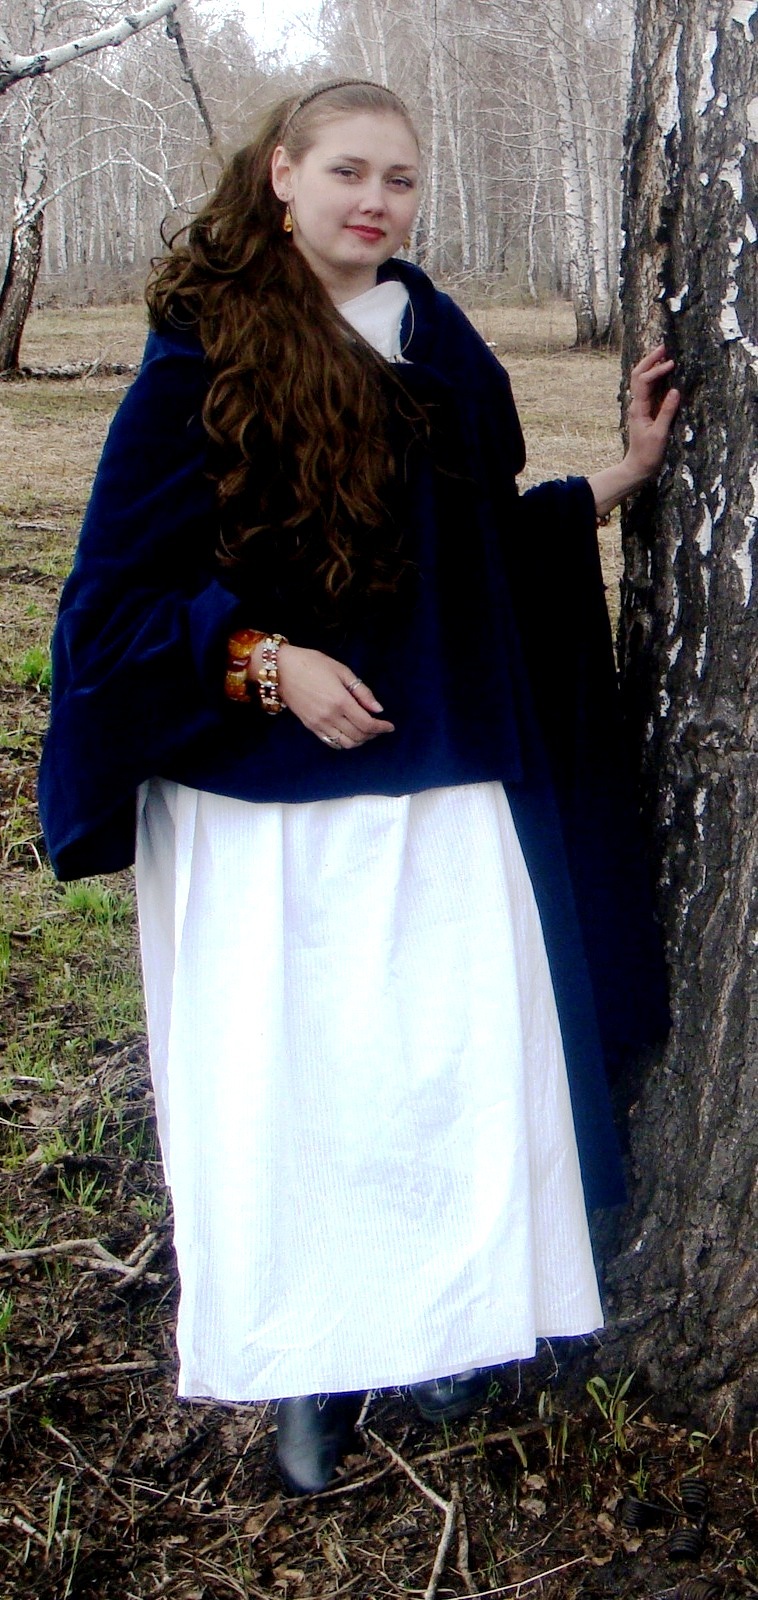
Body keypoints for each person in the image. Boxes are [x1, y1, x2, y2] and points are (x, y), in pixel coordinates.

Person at [39, 80, 680, 1497]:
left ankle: (450, 1330)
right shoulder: (202, 357)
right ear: (281, 173)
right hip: (266, 806)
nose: (375, 200)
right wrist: (267, 664)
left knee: (449, 1072)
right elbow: (110, 608)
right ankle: (307, 1371)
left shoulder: (441, 345)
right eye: (346, 171)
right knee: (296, 1092)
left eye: (399, 177)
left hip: (440, 779)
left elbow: (473, 561)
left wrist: (622, 477)